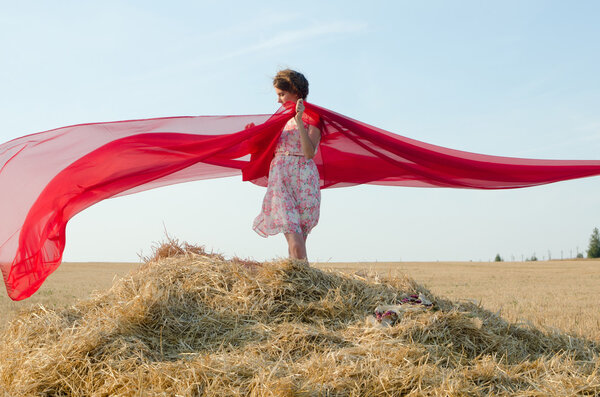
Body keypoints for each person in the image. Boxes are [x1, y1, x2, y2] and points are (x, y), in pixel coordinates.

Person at [251, 69, 322, 262]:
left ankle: (303, 287)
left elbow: (309, 153)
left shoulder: (315, 118)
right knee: (295, 243)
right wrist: (252, 136)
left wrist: (299, 122)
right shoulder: (277, 121)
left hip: (305, 182)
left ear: (295, 91)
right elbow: (266, 149)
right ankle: (305, 285)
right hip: (281, 178)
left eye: (282, 94)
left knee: (298, 246)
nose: (278, 100)